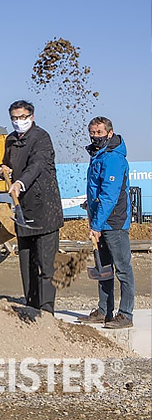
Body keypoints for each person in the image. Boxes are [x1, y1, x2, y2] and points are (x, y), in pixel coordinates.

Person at [0, 100, 63, 314]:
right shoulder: (10, 140)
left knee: (45, 264)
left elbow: (37, 165)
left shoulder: (41, 138)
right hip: (23, 210)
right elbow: (7, 163)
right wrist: (4, 169)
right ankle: (31, 306)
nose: (18, 122)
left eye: (22, 117)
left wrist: (19, 182)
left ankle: (46, 310)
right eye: (14, 118)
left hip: (45, 208)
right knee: (26, 263)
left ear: (31, 117)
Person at [78, 116, 135, 329]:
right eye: (92, 133)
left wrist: (96, 226)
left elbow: (110, 195)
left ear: (109, 133)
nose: (95, 136)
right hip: (101, 220)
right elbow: (97, 189)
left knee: (122, 269)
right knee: (104, 267)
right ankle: (104, 311)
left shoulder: (113, 158)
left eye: (99, 133)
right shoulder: (98, 156)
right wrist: (90, 206)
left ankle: (126, 314)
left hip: (114, 222)